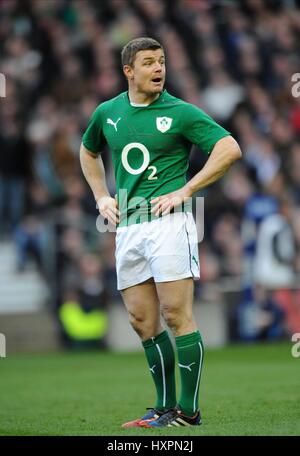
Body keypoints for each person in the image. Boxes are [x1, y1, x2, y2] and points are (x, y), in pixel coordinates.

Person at [80, 37, 241, 428]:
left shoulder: (181, 112)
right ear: (128, 71)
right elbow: (88, 151)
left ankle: (188, 411)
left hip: (171, 223)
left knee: (176, 314)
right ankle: (163, 408)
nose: (158, 69)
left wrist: (186, 189)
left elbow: (229, 147)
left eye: (162, 62)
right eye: (149, 62)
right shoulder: (108, 113)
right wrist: (102, 196)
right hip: (128, 227)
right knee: (141, 321)